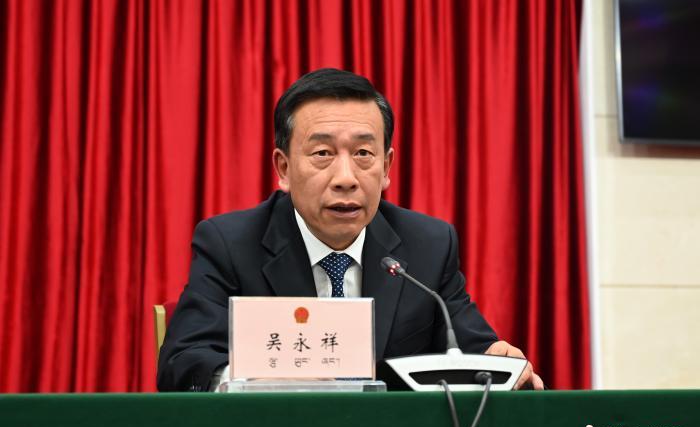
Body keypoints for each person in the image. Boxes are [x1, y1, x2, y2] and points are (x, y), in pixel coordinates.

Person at [157, 68, 544, 392]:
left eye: (363, 154)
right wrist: (255, 382)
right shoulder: (230, 243)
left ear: (386, 167)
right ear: (284, 168)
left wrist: (500, 362)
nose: (346, 178)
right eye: (322, 153)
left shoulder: (428, 246)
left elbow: (474, 353)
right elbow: (184, 361)